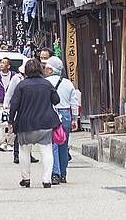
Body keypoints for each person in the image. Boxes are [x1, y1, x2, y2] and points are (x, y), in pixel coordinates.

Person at [8, 59, 60, 188]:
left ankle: (26, 179)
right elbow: (56, 100)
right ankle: (46, 179)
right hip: (45, 123)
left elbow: (14, 105)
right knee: (47, 151)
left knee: (24, 151)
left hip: (25, 123)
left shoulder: (22, 85)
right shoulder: (47, 84)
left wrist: (11, 121)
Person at [44, 57, 78, 185]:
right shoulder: (68, 83)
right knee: (63, 144)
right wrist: (75, 118)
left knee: (52, 144)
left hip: (51, 113)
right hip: (65, 114)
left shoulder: (45, 82)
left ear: (50, 69)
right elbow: (74, 101)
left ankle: (55, 173)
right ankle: (63, 174)